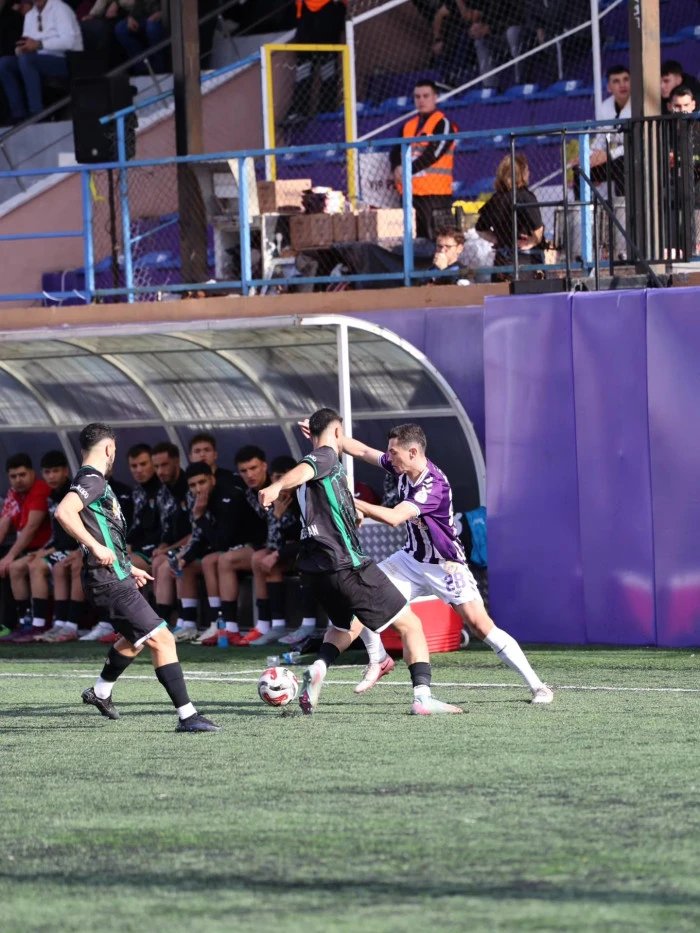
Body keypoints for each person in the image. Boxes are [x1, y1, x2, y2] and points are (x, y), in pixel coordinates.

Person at [259, 407, 463, 716]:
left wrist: (348, 511)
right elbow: (307, 466)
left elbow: (346, 461)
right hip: (346, 564)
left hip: (314, 569)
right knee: (411, 625)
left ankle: (320, 666)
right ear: (337, 433)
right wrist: (276, 486)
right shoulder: (326, 457)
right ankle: (423, 698)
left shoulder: (319, 467)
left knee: (343, 625)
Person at [331, 421, 553, 703]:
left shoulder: (433, 485)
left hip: (445, 565)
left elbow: (394, 518)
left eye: (393, 452)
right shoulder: (401, 466)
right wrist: (331, 438)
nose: (389, 457)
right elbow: (363, 451)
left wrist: (350, 501)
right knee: (360, 594)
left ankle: (538, 686)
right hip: (410, 560)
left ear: (413, 452)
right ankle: (379, 660)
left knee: (480, 625)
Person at [55, 422, 220, 732]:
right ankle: (187, 716)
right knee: (162, 638)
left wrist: (127, 565)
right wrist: (96, 548)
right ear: (109, 448)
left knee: (137, 637)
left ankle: (100, 692)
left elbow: (101, 530)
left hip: (114, 575)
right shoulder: (92, 479)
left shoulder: (92, 480)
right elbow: (64, 512)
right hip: (107, 581)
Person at [175, 460, 257, 646]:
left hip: (253, 546)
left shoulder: (228, 495)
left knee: (212, 560)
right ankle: (189, 625)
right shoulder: (197, 500)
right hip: (229, 550)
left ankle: (224, 625)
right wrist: (185, 557)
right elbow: (201, 536)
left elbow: (223, 542)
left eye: (202, 482)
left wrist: (200, 517)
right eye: (193, 485)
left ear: (212, 479)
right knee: (186, 564)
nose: (198, 489)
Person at [249, 455, 318, 648]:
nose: (282, 483)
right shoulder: (276, 500)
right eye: (277, 477)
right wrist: (277, 516)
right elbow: (274, 544)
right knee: (264, 561)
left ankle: (309, 624)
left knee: (303, 558)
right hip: (291, 551)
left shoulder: (305, 496)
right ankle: (275, 625)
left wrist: (278, 554)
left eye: (285, 477)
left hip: (313, 549)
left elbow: (309, 537)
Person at [17, 451, 84, 644]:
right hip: (61, 548)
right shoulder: (52, 496)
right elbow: (57, 533)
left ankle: (58, 625)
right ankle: (51, 624)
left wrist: (52, 551)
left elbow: (77, 531)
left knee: (40, 566)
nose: (52, 476)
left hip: (79, 548)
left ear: (65, 471)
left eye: (56, 471)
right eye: (47, 472)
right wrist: (45, 550)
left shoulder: (75, 493)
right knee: (30, 563)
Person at [389, 80, 458, 240]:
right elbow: (395, 152)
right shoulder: (408, 126)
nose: (421, 100)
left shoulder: (443, 124)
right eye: (417, 97)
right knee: (413, 242)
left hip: (436, 196)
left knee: (439, 241)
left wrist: (407, 170)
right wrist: (396, 166)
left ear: (435, 97)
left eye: (426, 96)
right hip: (410, 195)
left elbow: (434, 154)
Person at [0, 0, 83, 123]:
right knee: (4, 63)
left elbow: (69, 41)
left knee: (27, 60)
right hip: (35, 58)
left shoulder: (60, 10)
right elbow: (27, 41)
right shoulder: (31, 16)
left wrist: (39, 45)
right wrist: (21, 49)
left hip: (64, 60)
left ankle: (37, 112)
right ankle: (18, 113)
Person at [0, 453, 52, 642]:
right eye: (13, 476)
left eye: (22, 475)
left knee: (12, 565)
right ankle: (23, 622)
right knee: (9, 564)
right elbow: (4, 523)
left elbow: (31, 528)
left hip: (44, 549)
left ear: (32, 473)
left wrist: (9, 556)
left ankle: (33, 623)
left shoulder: (40, 489)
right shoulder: (13, 493)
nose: (18, 480)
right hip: (26, 550)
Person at [475, 153, 544, 282]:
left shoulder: (496, 199)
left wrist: (498, 240)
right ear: (522, 174)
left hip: (502, 259)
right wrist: (533, 241)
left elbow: (480, 228)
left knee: (501, 292)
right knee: (530, 292)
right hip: (526, 260)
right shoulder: (525, 197)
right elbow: (537, 230)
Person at [283, 0, 347, 126]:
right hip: (309, 13)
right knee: (306, 63)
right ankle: (302, 109)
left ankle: (324, 110)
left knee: (326, 62)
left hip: (327, 11)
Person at [573, 64, 630, 201]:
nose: (622, 85)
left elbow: (636, 142)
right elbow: (601, 139)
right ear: (609, 87)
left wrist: (608, 155)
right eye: (616, 81)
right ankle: (583, 209)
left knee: (621, 164)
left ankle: (623, 208)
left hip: (635, 156)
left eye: (626, 79)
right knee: (580, 168)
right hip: (615, 157)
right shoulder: (604, 107)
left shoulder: (639, 105)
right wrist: (588, 156)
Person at [149, 441, 190, 628]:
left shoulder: (191, 486)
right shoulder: (163, 492)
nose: (160, 471)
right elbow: (166, 529)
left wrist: (168, 549)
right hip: (177, 547)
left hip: (198, 546)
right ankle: (163, 621)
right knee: (157, 560)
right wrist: (162, 547)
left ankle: (180, 620)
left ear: (177, 462)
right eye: (156, 466)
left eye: (164, 465)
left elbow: (195, 532)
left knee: (167, 565)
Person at [125, 443, 161, 572]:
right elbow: (136, 525)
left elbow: (164, 529)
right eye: (134, 466)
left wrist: (134, 547)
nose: (139, 470)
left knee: (119, 567)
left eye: (143, 464)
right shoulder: (137, 492)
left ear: (153, 463)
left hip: (159, 547)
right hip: (140, 547)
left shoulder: (164, 489)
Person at [112, 0, 167, 75]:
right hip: (144, 16)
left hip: (161, 15)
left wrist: (163, 13)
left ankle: (159, 68)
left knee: (152, 28)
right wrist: (132, 16)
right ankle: (142, 68)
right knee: (121, 28)